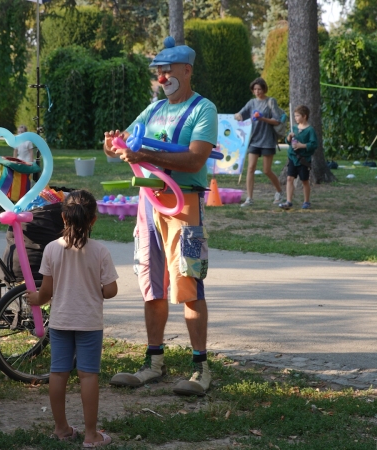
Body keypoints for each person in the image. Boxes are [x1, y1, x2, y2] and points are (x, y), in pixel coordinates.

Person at [104, 37, 217, 396]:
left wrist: (146, 155)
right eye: (158, 72)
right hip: (148, 206)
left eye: (168, 70)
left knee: (189, 284)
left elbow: (196, 159)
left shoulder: (204, 110)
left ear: (187, 70)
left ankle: (201, 367)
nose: (163, 77)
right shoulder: (152, 110)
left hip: (184, 206)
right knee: (151, 286)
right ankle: (154, 362)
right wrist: (114, 144)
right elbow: (124, 141)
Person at [25, 190, 118, 447]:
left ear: (63, 218)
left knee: (58, 373)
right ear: (93, 220)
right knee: (88, 376)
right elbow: (110, 291)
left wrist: (36, 299)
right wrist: (96, 289)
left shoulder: (52, 249)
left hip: (60, 322)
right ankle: (91, 435)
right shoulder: (100, 251)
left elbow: (46, 292)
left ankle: (61, 429)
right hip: (89, 323)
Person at [234, 77, 284, 207]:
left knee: (267, 170)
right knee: (250, 168)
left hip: (268, 140)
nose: (257, 92)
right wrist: (238, 116)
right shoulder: (251, 103)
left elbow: (277, 120)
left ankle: (279, 191)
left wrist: (262, 119)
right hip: (254, 140)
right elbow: (239, 114)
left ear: (264, 89)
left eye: (259, 89)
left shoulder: (271, 101)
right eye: (255, 89)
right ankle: (249, 198)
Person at [280, 105, 318, 210]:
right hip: (293, 158)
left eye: (297, 116)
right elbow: (287, 141)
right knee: (289, 178)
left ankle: (306, 201)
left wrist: (302, 145)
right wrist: (289, 137)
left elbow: (314, 144)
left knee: (304, 180)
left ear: (304, 116)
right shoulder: (294, 128)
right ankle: (288, 201)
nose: (295, 118)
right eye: (295, 116)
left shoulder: (310, 130)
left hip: (303, 159)